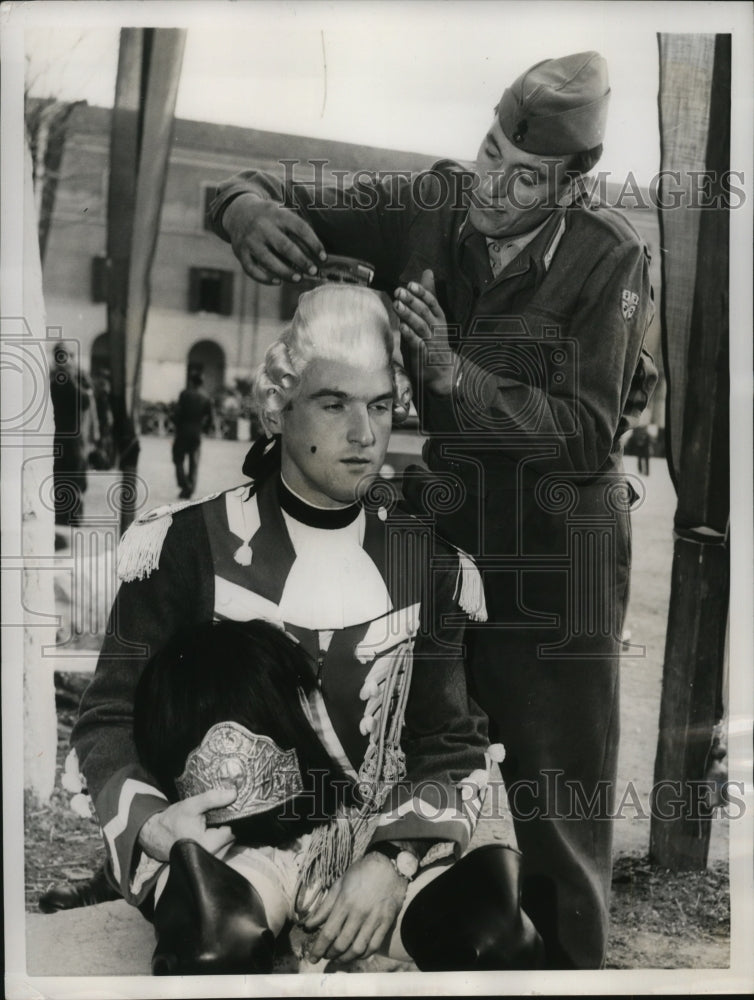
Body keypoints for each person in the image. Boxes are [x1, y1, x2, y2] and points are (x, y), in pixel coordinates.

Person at [207, 51, 658, 968]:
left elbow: (584, 433)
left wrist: (455, 372)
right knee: (410, 753)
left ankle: (568, 971)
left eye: (524, 176)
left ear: (573, 186)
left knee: (555, 807)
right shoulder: (433, 202)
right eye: (490, 152)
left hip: (557, 552)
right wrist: (247, 212)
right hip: (450, 534)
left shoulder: (610, 259)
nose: (492, 184)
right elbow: (251, 181)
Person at [71, 284, 543, 975]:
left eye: (380, 406)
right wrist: (152, 825)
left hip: (390, 824)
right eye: (334, 404)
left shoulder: (428, 562)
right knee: (213, 947)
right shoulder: (185, 546)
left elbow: (450, 741)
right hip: (238, 841)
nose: (363, 434)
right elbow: (106, 720)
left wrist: (394, 856)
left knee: (495, 943)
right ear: (278, 406)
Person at [49, 345, 91, 532]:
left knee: (58, 477)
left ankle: (60, 515)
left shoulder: (50, 381)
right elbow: (85, 401)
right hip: (73, 439)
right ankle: (73, 516)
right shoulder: (69, 380)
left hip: (55, 438)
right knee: (74, 478)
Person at [172, 371, 213, 498]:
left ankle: (185, 485)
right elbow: (211, 418)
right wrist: (205, 429)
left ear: (191, 381)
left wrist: (176, 425)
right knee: (193, 461)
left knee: (178, 458)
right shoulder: (206, 397)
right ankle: (190, 487)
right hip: (196, 432)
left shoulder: (184, 394)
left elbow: (177, 413)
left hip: (183, 430)